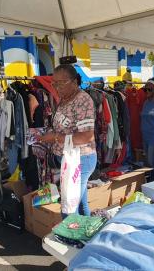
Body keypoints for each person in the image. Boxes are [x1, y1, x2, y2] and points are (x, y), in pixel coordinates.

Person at [37, 64, 96, 217]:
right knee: (81, 204)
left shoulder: (83, 101)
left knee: (68, 208)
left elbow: (86, 136)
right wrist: (48, 134)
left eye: (60, 83)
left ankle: (70, 238)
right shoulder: (64, 99)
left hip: (80, 159)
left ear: (74, 82)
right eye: (54, 83)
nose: (56, 87)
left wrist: (55, 137)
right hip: (68, 158)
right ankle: (86, 236)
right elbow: (64, 128)